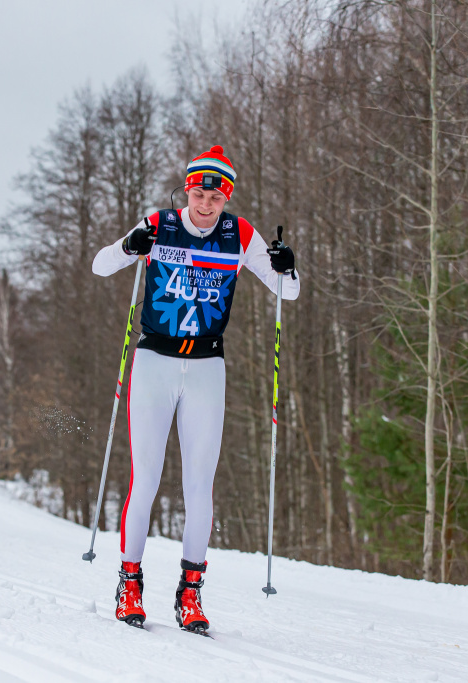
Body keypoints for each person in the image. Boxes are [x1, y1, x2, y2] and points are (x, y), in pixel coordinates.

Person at [91, 145, 300, 633]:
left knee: (199, 485)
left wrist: (287, 266)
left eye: (216, 194)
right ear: (187, 189)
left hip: (207, 365)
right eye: (199, 191)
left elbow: (287, 292)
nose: (206, 203)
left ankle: (190, 593)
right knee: (146, 477)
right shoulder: (160, 224)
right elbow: (102, 266)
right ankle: (129, 582)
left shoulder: (239, 234)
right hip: (154, 361)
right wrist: (131, 245)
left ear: (226, 198)